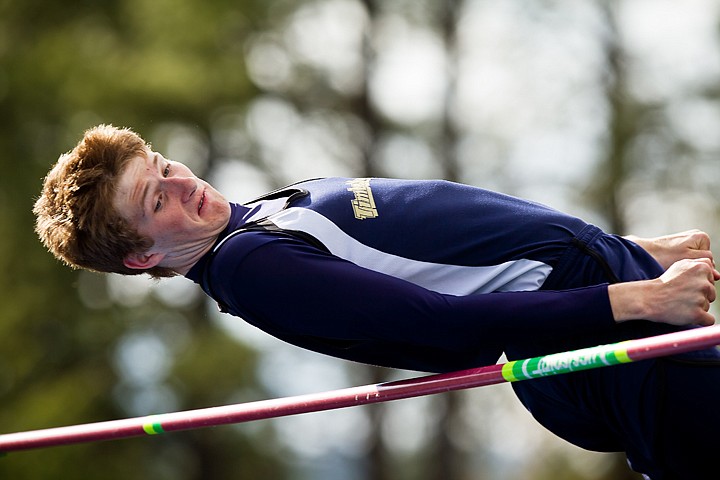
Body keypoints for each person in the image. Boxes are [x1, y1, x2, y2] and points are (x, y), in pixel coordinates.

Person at [34, 124, 720, 479]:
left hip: (600, 287)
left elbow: (453, 243)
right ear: (142, 256)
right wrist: (635, 300)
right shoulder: (251, 267)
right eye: (159, 200)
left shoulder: (258, 218)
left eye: (163, 166)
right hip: (598, 337)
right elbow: (441, 325)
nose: (182, 184)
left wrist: (627, 246)